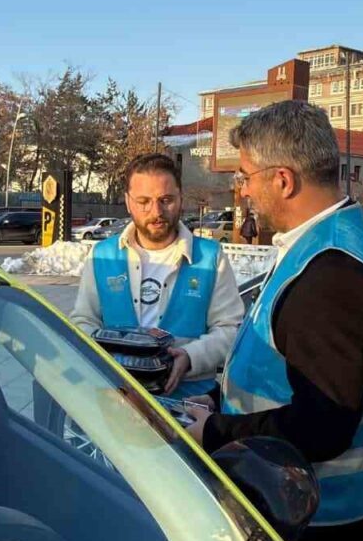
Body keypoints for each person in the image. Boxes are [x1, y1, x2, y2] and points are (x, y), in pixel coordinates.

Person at [182, 100, 363, 541]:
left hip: (313, 530)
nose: (242, 191)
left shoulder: (331, 272)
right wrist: (213, 400)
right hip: (299, 512)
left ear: (283, 180)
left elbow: (323, 425)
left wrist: (216, 431)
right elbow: (274, 365)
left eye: (245, 177)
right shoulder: (318, 245)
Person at [72, 153, 243, 398]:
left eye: (166, 200)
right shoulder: (103, 256)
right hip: (117, 401)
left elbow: (230, 330)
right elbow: (83, 321)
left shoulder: (210, 257)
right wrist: (109, 362)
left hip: (188, 404)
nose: (156, 211)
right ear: (128, 202)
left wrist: (190, 357)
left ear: (181, 198)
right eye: (144, 201)